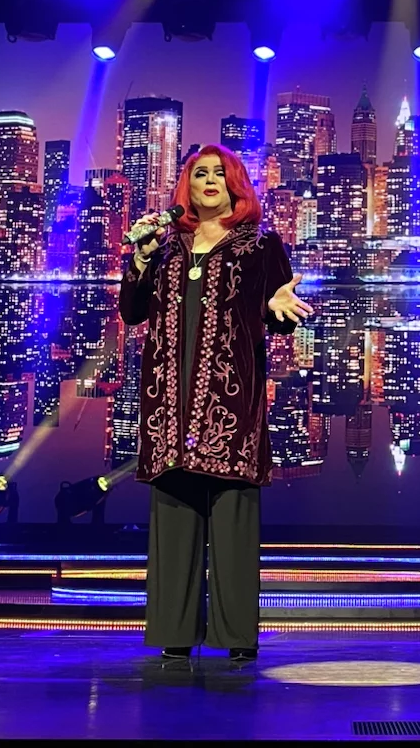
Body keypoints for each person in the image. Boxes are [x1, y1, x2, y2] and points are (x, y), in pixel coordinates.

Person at [119, 143, 312, 661]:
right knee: (174, 519)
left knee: (232, 522)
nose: (209, 180)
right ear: (187, 186)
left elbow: (278, 316)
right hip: (168, 402)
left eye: (219, 173)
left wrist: (276, 304)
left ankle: (236, 638)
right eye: (200, 173)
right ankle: (175, 634)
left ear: (235, 185)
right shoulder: (165, 247)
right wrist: (139, 258)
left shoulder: (260, 245)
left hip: (230, 401)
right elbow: (132, 312)